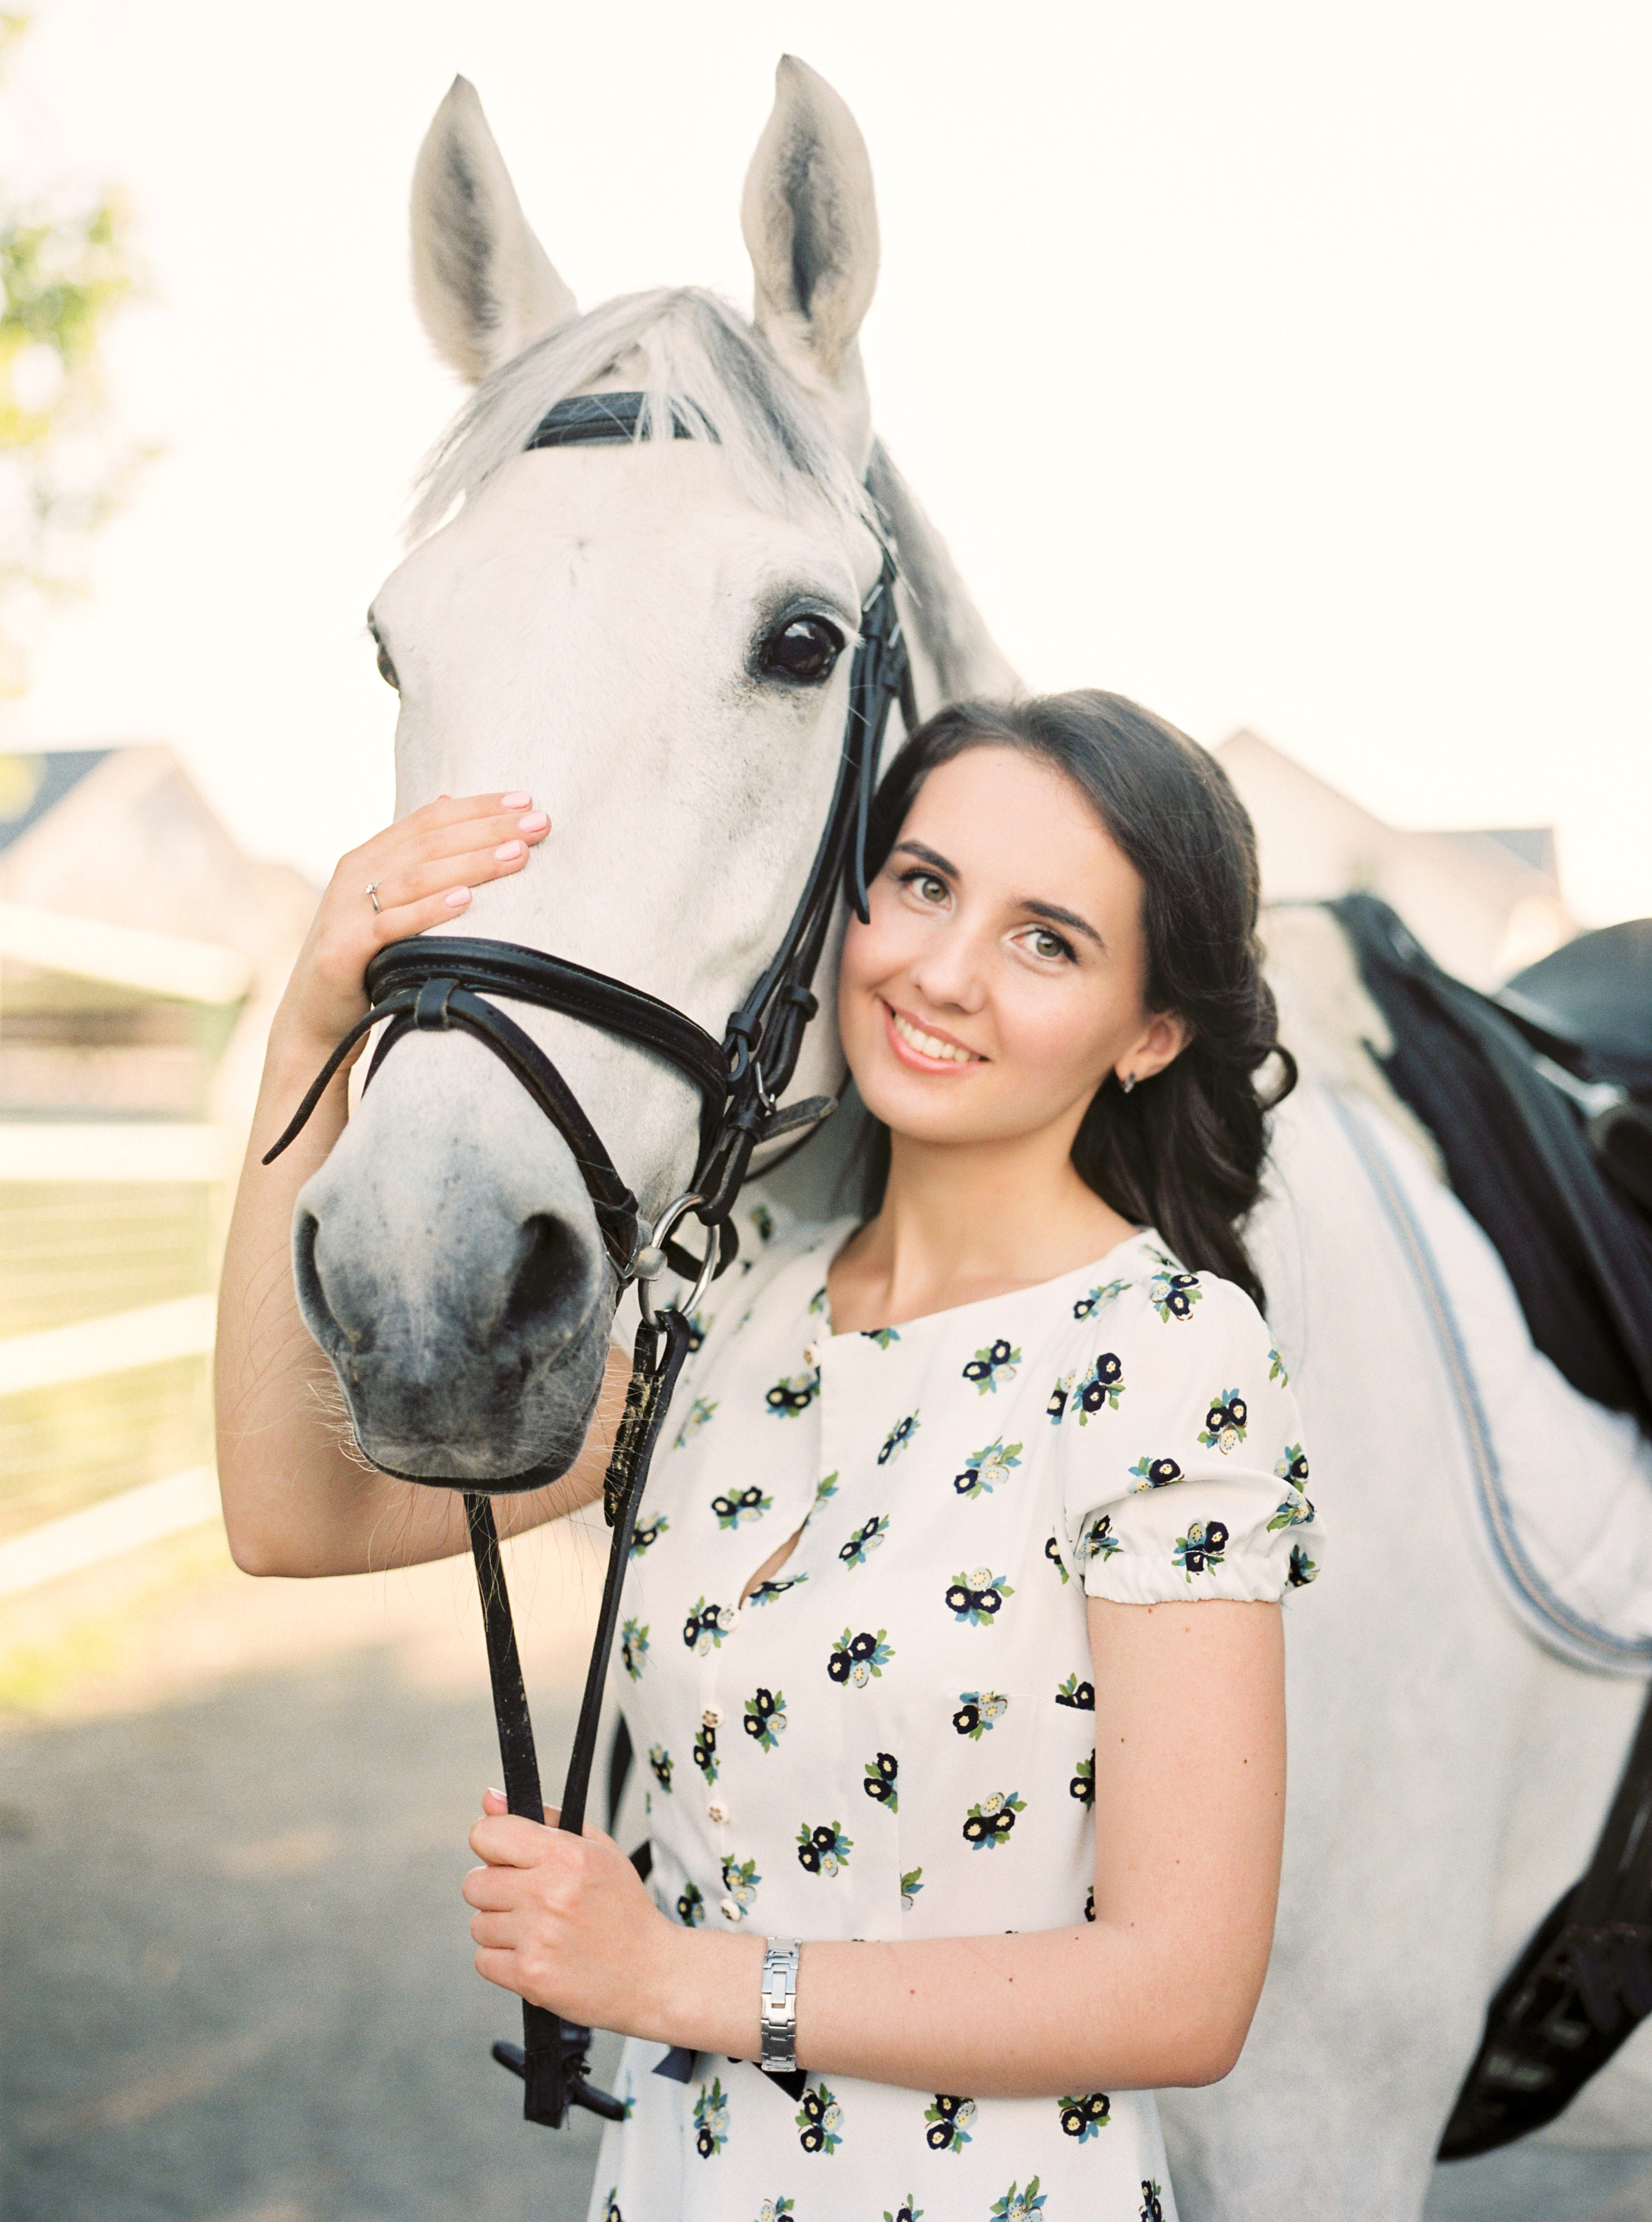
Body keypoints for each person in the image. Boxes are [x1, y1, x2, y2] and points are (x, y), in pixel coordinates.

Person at [217, 691, 1318, 2222]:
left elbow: (1180, 1997)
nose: (940, 971)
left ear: (1149, 1032)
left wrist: (672, 1978)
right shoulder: (716, 1308)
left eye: (1044, 939)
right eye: (924, 886)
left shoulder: (1159, 1359)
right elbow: (295, 1514)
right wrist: (307, 1047)